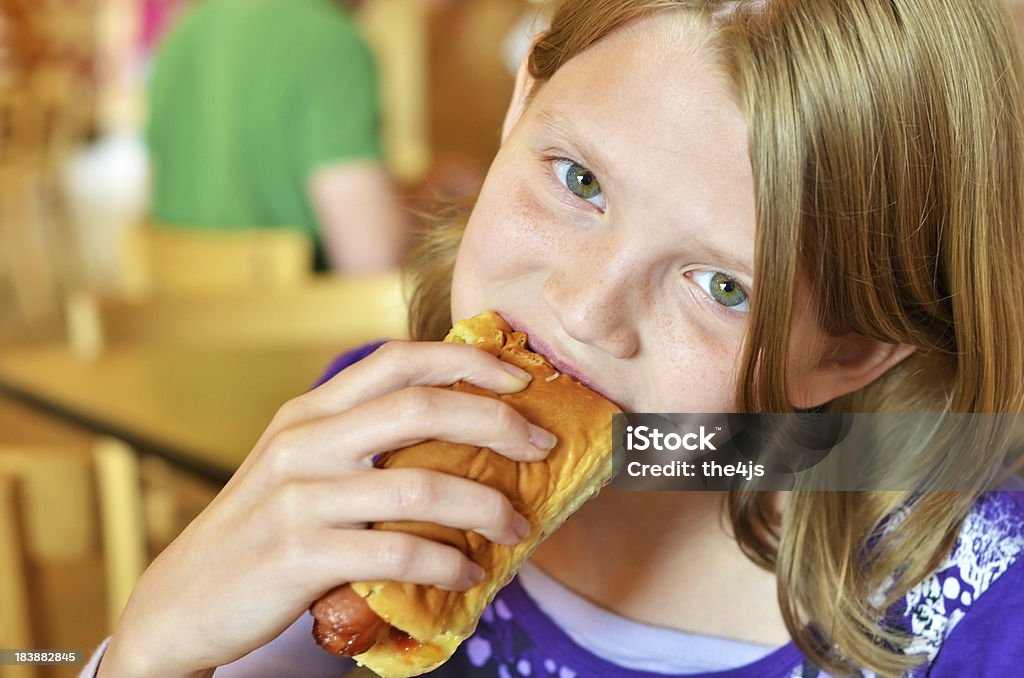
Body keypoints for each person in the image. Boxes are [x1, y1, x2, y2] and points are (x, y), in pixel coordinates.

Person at [87, 0, 1024, 675]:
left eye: (722, 285)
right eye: (578, 181)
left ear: (849, 353)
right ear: (518, 103)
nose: (583, 310)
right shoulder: (376, 438)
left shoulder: (990, 614)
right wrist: (149, 650)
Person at [145, 0, 407, 273]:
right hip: (286, 311)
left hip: (176, 308)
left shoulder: (182, 31)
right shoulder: (329, 40)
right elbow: (371, 259)